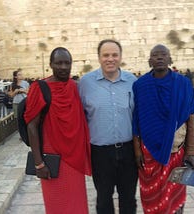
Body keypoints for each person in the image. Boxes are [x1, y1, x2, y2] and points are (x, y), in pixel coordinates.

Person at [132, 44, 194, 214]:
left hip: (176, 153)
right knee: (152, 198)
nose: (160, 58)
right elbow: (136, 120)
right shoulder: (140, 85)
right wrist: (137, 151)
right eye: (155, 55)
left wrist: (190, 152)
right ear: (150, 61)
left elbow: (190, 119)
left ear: (170, 59)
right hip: (149, 156)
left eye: (164, 55)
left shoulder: (183, 84)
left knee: (176, 197)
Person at [24, 47, 91, 213]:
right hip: (52, 159)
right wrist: (39, 164)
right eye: (58, 63)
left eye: (67, 63)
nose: (63, 67)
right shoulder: (40, 88)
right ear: (50, 64)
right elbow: (31, 126)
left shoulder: (76, 87)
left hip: (74, 159)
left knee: (77, 204)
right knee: (57, 205)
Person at [79, 39, 138, 214]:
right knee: (104, 198)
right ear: (99, 58)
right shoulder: (86, 83)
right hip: (100, 153)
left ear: (120, 57)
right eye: (106, 55)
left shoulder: (132, 81)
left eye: (114, 55)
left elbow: (138, 114)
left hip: (128, 151)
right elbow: (79, 115)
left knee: (128, 197)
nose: (110, 59)